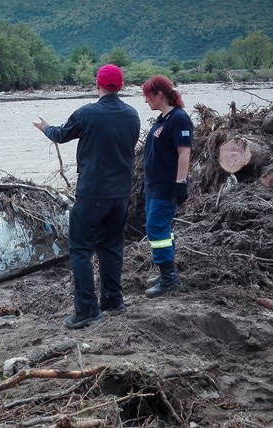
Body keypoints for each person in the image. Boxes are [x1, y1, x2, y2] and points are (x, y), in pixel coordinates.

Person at [32, 64, 141, 329]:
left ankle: (87, 309)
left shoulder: (87, 113)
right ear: (122, 86)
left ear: (98, 84)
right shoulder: (132, 115)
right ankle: (113, 300)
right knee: (111, 247)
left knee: (80, 250)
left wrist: (45, 127)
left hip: (92, 192)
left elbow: (61, 135)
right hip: (121, 193)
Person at [141, 75, 193, 298]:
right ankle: (166, 271)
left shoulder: (179, 119)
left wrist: (180, 184)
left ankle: (169, 278)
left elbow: (184, 153)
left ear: (159, 95)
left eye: (147, 96)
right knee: (161, 230)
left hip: (166, 187)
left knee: (157, 229)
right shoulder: (163, 118)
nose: (145, 101)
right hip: (153, 186)